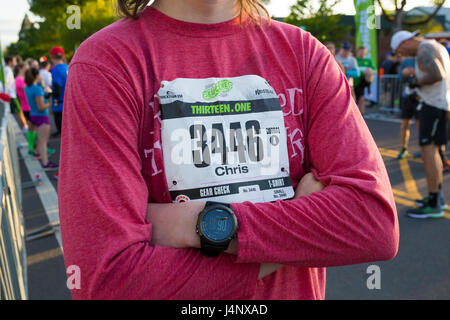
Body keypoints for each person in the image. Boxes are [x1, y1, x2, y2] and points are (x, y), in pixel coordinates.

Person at [59, 0, 398, 300]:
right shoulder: (106, 63)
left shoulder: (303, 53)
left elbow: (373, 222)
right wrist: (296, 222)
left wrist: (190, 223)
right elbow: (107, 284)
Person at [392, 30, 449, 218]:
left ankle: (434, 203)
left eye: (401, 52)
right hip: (439, 105)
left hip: (434, 106)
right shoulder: (433, 46)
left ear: (404, 43)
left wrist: (413, 80)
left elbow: (437, 74)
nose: (404, 56)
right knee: (433, 152)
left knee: (429, 152)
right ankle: (436, 197)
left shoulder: (425, 48)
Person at [24, 68, 58, 170]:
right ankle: (45, 162)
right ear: (36, 75)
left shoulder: (27, 87)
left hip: (33, 115)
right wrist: (49, 103)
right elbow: (40, 106)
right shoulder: (37, 89)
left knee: (40, 140)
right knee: (43, 141)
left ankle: (42, 157)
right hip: (41, 117)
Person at [396, 57, 420, 159]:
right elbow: (399, 77)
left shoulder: (424, 58)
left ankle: (423, 150)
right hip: (407, 97)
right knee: (405, 124)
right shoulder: (406, 61)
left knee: (421, 125)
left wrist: (415, 73)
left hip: (421, 97)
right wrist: (404, 73)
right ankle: (404, 148)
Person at [14, 62, 36, 154]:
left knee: (33, 128)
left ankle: (34, 146)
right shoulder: (19, 80)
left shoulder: (22, 79)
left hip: (29, 106)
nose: (27, 69)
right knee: (32, 128)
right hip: (27, 107)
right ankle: (32, 146)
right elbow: (28, 88)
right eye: (26, 68)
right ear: (21, 69)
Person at [4, 55, 28, 131]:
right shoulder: (7, 70)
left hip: (12, 95)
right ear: (10, 61)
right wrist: (7, 95)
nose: (15, 62)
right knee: (19, 113)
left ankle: (24, 129)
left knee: (19, 113)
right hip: (11, 96)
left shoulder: (8, 70)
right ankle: (25, 130)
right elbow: (6, 83)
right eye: (14, 60)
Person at [49, 46, 68, 137]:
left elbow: (57, 91)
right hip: (69, 103)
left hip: (59, 105)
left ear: (52, 57)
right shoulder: (67, 67)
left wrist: (49, 94)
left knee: (63, 135)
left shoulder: (55, 70)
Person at [355, 46, 376, 115]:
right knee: (356, 100)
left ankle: (361, 115)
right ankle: (356, 114)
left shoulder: (368, 61)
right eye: (361, 52)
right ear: (358, 52)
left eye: (363, 52)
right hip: (355, 82)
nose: (362, 53)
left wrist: (368, 72)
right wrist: (362, 72)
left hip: (363, 82)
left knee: (362, 98)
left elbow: (374, 70)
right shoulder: (355, 60)